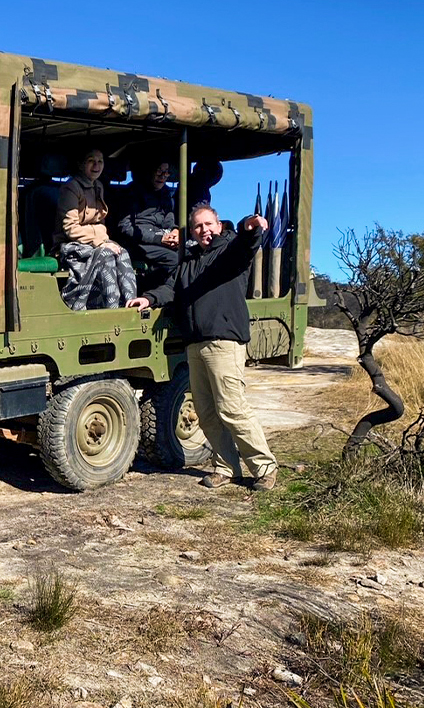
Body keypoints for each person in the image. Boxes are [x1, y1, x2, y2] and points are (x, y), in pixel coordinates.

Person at [126, 204, 279, 490]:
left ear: (219, 225)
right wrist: (148, 299)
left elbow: (246, 247)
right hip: (195, 345)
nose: (204, 230)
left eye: (208, 224)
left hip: (224, 342)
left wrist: (250, 225)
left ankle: (264, 467)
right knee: (207, 412)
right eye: (198, 227)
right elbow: (171, 288)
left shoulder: (228, 250)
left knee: (232, 408)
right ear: (192, 232)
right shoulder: (189, 260)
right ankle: (226, 468)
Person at [56, 149, 137, 310]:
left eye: (100, 161)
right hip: (70, 245)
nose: (96, 165)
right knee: (105, 255)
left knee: (122, 252)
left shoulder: (98, 186)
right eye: (91, 161)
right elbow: (70, 229)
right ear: (80, 164)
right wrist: (100, 242)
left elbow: (100, 224)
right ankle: (111, 310)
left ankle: (131, 305)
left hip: (93, 243)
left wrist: (103, 240)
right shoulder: (71, 188)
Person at [116, 160, 182, 290]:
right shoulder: (132, 192)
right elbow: (125, 227)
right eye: (159, 171)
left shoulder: (166, 193)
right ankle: (149, 292)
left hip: (162, 238)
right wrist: (158, 238)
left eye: (166, 172)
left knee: (189, 253)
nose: (163, 176)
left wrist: (175, 232)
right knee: (172, 259)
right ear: (148, 171)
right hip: (137, 241)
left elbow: (169, 221)